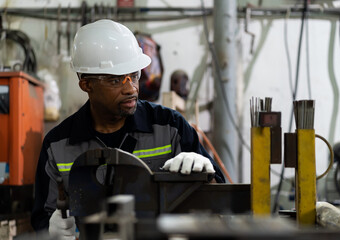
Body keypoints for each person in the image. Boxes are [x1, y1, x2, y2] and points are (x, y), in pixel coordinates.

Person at [31, 19, 225, 238]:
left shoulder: (170, 127)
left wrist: (206, 174)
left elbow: (220, 199)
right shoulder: (57, 146)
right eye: (116, 81)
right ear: (86, 84)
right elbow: (41, 216)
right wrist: (50, 230)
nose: (131, 88)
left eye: (134, 75)